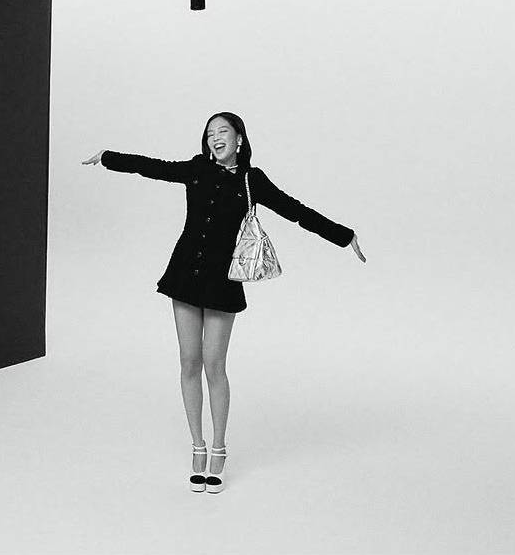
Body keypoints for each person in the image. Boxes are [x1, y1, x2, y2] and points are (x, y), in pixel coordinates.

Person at [82, 111, 365, 493]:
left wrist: (344, 236)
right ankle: (197, 446)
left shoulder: (252, 180)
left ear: (239, 139)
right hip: (184, 274)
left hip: (221, 283)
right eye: (210, 133)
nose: (215, 138)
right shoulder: (197, 169)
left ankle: (219, 447)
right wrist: (108, 157)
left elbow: (295, 211)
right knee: (189, 362)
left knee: (214, 365)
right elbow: (152, 167)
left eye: (223, 131)